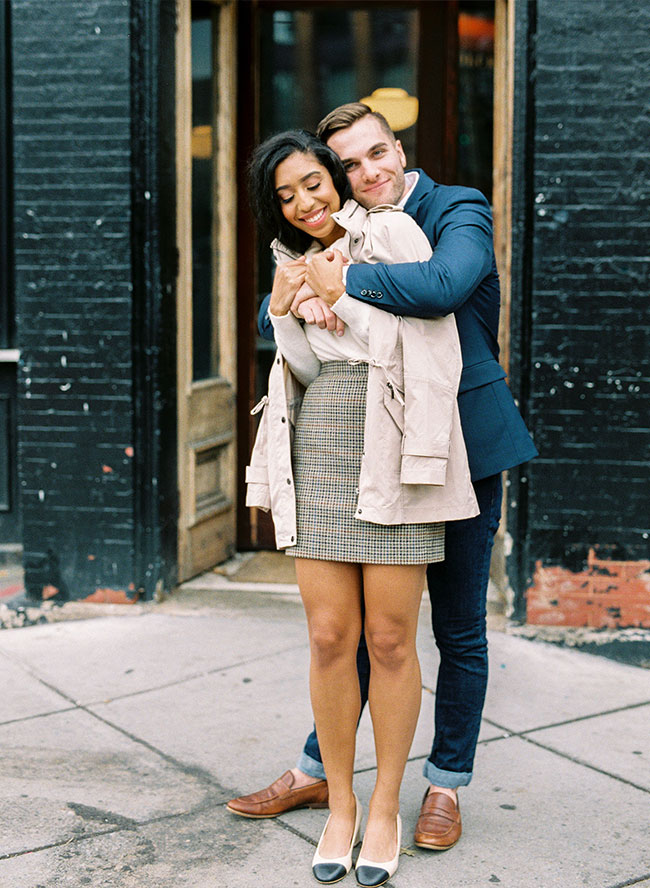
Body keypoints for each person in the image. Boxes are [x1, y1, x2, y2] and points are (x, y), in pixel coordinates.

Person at [229, 104, 537, 852]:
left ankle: (444, 786)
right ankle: (320, 771)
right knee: (354, 630)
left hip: (459, 433)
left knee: (454, 627)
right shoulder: (333, 234)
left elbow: (439, 287)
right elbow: (300, 342)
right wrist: (288, 311)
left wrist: (340, 288)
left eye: (377, 156)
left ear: (398, 149)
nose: (368, 174)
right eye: (350, 166)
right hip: (354, 445)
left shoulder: (449, 209)